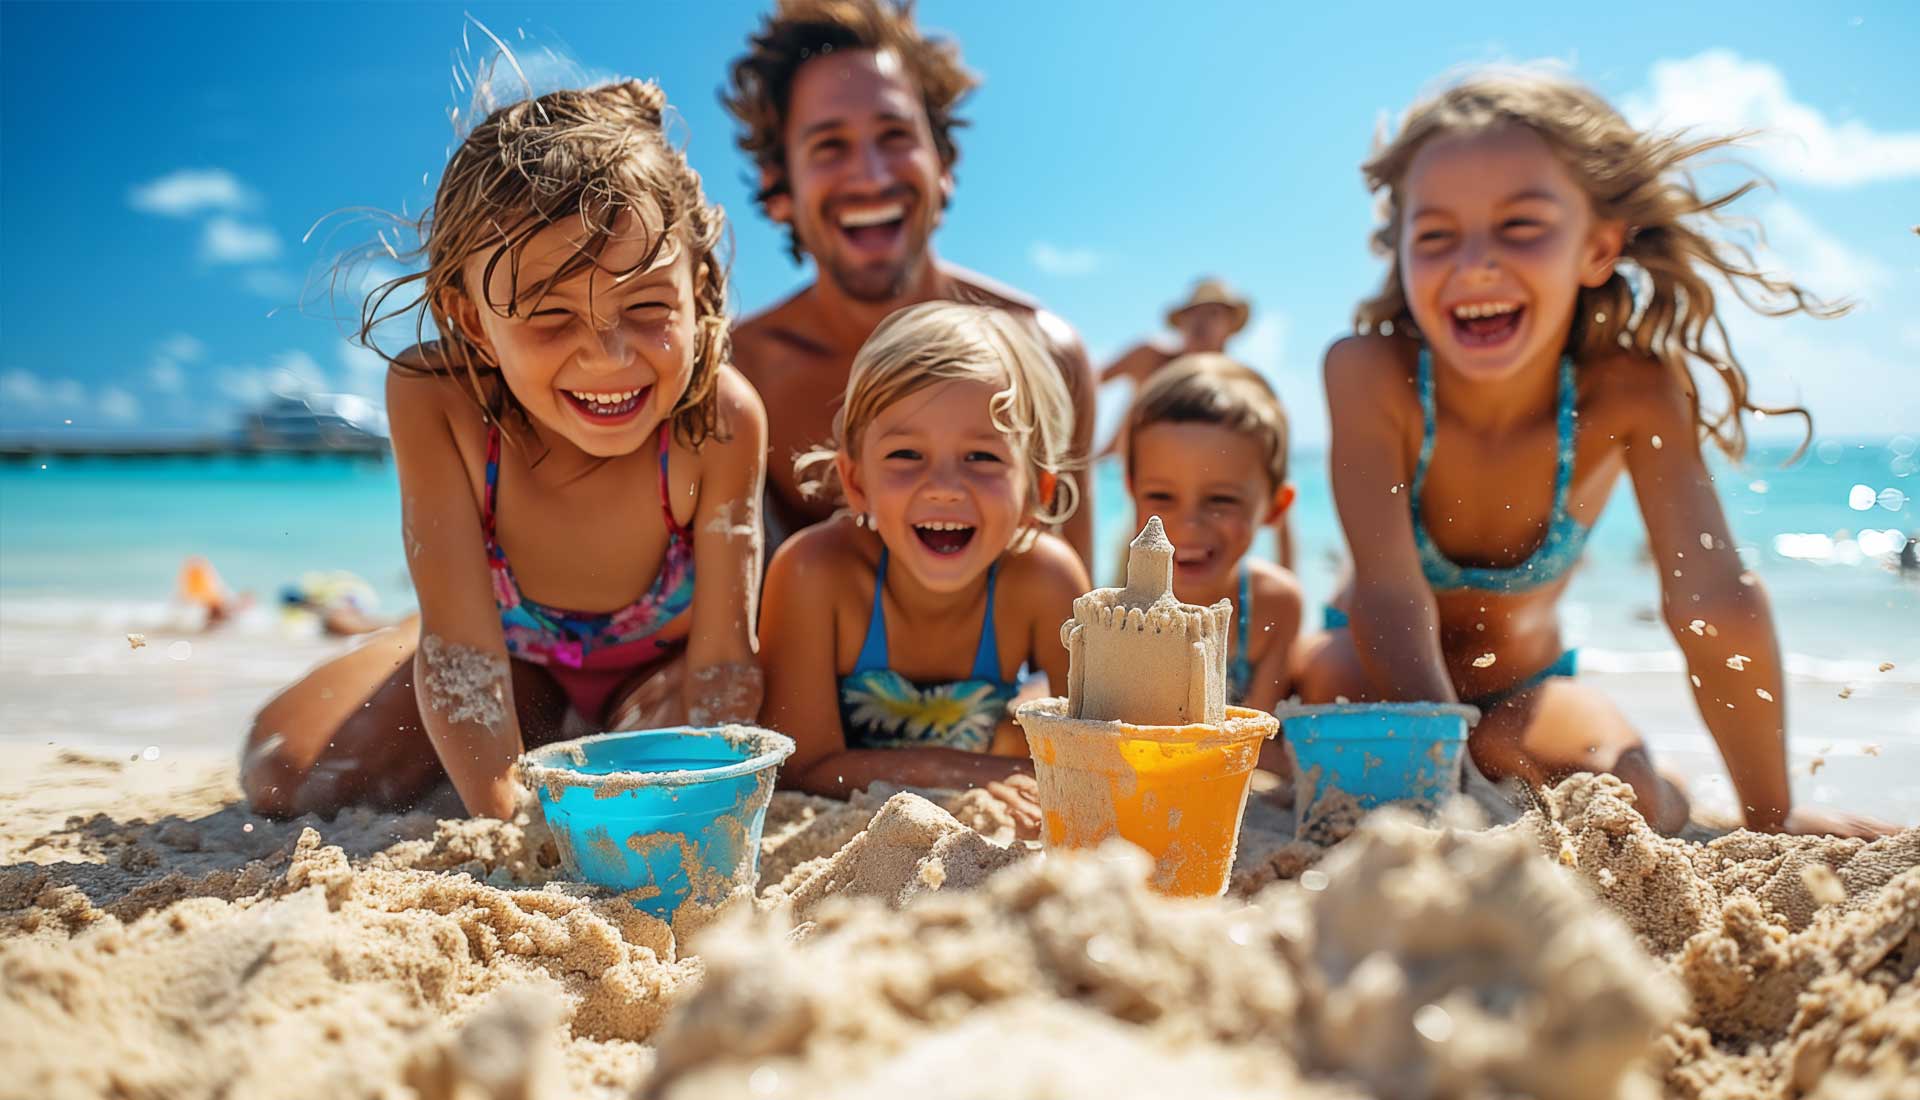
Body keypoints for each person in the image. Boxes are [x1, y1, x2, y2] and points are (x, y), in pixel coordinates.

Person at [1296, 70, 1890, 837]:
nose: (1475, 263)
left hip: (1524, 692)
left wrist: (1769, 819)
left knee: (1629, 796)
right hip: (1377, 670)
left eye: (1520, 226)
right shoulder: (1372, 375)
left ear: (1599, 247)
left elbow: (1714, 600)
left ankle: (1688, 800)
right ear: (1402, 250)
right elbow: (1388, 596)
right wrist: (1448, 778)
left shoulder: (1633, 394)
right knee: (1332, 686)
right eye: (1436, 235)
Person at [241, 80, 768, 820]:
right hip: (507, 655)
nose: (608, 356)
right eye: (550, 316)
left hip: (660, 669)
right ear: (473, 322)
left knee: (652, 780)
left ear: (698, 286)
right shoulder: (439, 401)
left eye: (648, 306)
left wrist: (706, 796)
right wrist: (505, 819)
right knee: (287, 777)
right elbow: (463, 652)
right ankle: (410, 641)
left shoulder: (717, 417)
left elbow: (723, 664)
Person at [724, 0, 1097, 567]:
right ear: (779, 188)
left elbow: (1078, 606)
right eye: (830, 145)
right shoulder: (738, 375)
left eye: (895, 134)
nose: (870, 176)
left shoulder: (1046, 356)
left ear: (943, 166)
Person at [758, 302, 1089, 836]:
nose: (944, 487)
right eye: (906, 454)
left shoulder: (1043, 580)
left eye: (982, 457)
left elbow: (1099, 747)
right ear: (856, 481)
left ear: (1036, 490)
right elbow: (799, 767)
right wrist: (967, 772)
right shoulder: (815, 572)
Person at [1121, 354, 1302, 725]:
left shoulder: (1273, 605)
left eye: (1221, 500)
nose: (1189, 526)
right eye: (1161, 496)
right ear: (1132, 491)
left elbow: (1258, 736)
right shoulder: (1119, 615)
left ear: (1275, 507)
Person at [1099, 277, 1251, 391]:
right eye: (1192, 312)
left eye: (1213, 313)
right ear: (1181, 322)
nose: (1200, 320)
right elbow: (1091, 380)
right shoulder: (1149, 359)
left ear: (1230, 324)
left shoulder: (1240, 384)